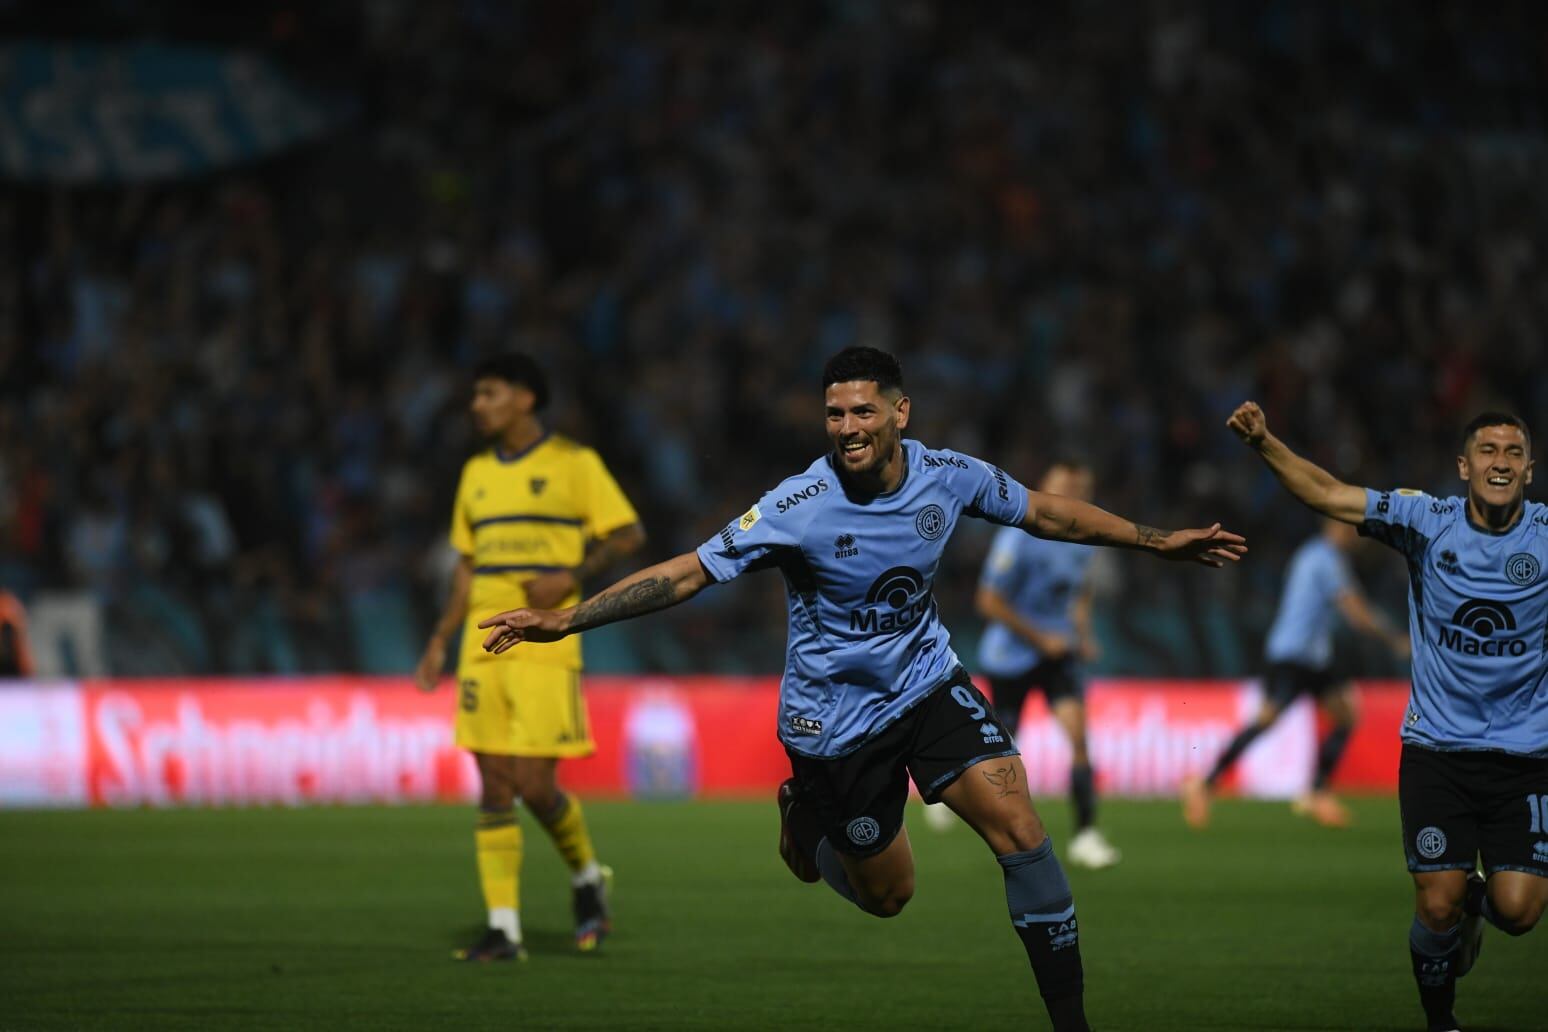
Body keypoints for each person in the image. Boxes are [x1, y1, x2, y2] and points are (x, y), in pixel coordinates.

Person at [478, 347, 1245, 1029]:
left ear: (900, 413)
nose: (846, 426)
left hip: (929, 685)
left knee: (1022, 830)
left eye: (863, 411)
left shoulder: (950, 477)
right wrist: (570, 618)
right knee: (888, 897)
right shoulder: (796, 507)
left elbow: (1050, 516)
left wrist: (1158, 542)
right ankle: (803, 820)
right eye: (834, 413)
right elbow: (687, 570)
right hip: (834, 728)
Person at [1226, 401, 1548, 1032]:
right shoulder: (1425, 521)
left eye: (1513, 454)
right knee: (1435, 903)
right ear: (1464, 465)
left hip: (1527, 757)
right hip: (1437, 752)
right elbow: (1326, 493)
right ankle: (1440, 1020)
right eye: (1488, 451)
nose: (1500, 463)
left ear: (1530, 470)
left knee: (1521, 911)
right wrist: (1265, 442)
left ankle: (1477, 905)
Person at [415, 353, 646, 962]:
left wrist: (570, 573)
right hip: (481, 642)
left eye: (488, 393)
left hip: (544, 641)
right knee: (493, 783)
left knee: (536, 786)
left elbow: (627, 535)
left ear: (524, 398)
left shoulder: (575, 464)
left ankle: (587, 878)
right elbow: (466, 566)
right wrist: (442, 636)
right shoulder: (475, 474)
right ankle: (503, 928)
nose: (476, 405)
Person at [923, 461, 1120, 871]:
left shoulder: (1081, 537)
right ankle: (951, 792)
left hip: (1056, 654)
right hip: (1011, 656)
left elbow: (1079, 591)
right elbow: (988, 601)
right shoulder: (1018, 537)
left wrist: (1081, 633)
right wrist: (1039, 637)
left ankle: (1085, 834)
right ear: (1046, 486)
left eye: (1079, 485)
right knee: (1000, 745)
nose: (1073, 492)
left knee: (1079, 738)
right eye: (1065, 483)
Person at [1180, 518, 1409, 829]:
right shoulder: (1325, 559)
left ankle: (1317, 791)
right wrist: (1393, 639)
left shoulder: (1315, 555)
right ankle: (1205, 785)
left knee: (1346, 714)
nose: (1358, 539)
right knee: (1266, 721)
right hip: (1293, 655)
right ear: (1337, 528)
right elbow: (1356, 613)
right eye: (1354, 532)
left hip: (1312, 659)